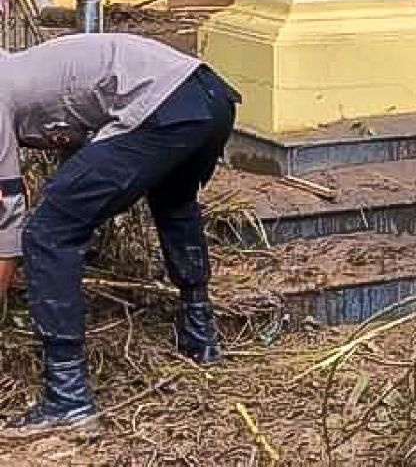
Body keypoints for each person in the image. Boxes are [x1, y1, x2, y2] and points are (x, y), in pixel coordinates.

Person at [0, 33, 240, 431]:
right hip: (210, 98)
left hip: (165, 106)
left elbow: (8, 214)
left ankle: (68, 397)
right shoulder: (26, 70)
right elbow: (85, 150)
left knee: (46, 232)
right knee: (174, 203)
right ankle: (201, 337)